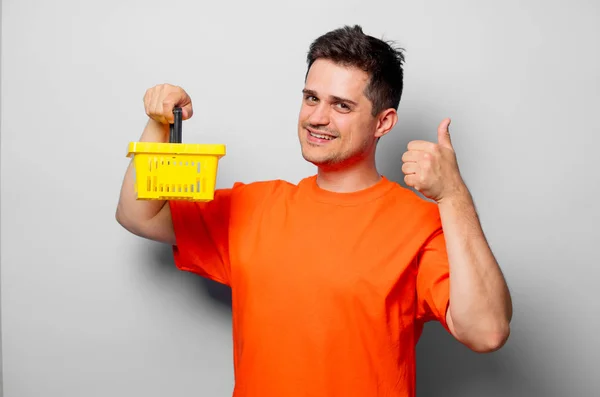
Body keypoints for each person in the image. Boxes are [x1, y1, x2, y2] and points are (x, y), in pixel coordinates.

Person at [116, 25, 512, 397]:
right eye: (311, 98)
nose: (317, 118)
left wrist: (453, 195)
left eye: (341, 105)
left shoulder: (420, 224)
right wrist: (158, 125)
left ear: (383, 122)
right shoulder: (253, 206)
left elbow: (487, 331)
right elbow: (138, 215)